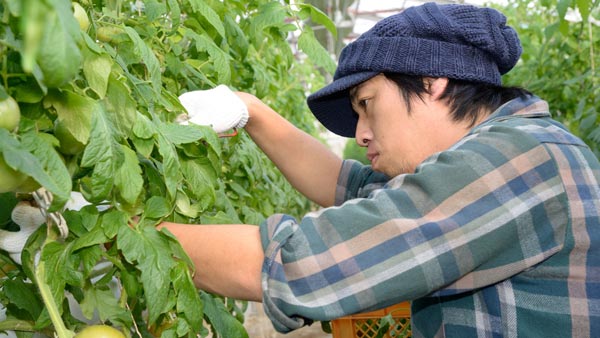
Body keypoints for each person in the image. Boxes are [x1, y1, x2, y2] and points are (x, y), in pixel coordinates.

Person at [164, 2, 600, 337]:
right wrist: (249, 110)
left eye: (367, 105)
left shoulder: (514, 160)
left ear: (432, 80)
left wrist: (120, 227)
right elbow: (343, 182)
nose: (361, 134)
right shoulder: (518, 148)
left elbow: (304, 265)